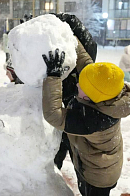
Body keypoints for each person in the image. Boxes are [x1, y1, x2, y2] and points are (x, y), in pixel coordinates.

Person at [42, 49, 130, 196]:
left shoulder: (92, 121)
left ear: (91, 97)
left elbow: (53, 115)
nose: (78, 85)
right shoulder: (106, 94)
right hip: (101, 165)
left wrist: (53, 77)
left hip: (97, 178)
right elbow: (86, 65)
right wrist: (71, 36)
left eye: (82, 86)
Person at [52, 13, 97, 170]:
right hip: (61, 110)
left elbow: (89, 51)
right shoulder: (54, 49)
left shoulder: (81, 58)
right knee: (54, 154)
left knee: (80, 157)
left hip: (75, 111)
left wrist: (71, 21)